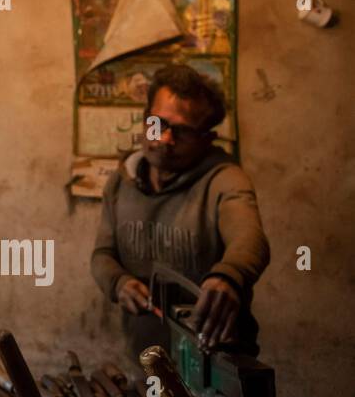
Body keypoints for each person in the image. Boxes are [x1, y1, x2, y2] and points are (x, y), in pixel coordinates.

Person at [91, 63, 269, 363]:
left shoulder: (223, 179)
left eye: (183, 132)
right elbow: (102, 255)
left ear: (206, 139)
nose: (165, 139)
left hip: (216, 362)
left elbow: (250, 240)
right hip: (147, 359)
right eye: (157, 125)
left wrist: (230, 276)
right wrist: (118, 283)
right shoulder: (121, 182)